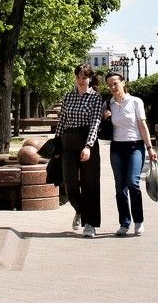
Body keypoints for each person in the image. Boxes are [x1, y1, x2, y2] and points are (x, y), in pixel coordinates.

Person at [104, 72, 157, 237]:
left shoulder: (135, 101)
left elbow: (142, 125)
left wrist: (150, 147)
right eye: (110, 85)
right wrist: (104, 117)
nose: (113, 87)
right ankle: (124, 223)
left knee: (133, 183)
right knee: (120, 188)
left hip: (135, 147)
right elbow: (102, 126)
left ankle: (139, 222)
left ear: (123, 82)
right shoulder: (108, 104)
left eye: (115, 83)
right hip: (117, 148)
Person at [55, 63, 103, 237]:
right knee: (70, 183)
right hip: (69, 141)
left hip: (87, 140)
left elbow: (95, 123)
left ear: (90, 79)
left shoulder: (96, 98)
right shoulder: (68, 96)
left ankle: (90, 224)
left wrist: (88, 146)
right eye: (78, 77)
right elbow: (62, 121)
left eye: (84, 77)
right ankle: (80, 210)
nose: (81, 81)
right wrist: (57, 143)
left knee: (90, 184)